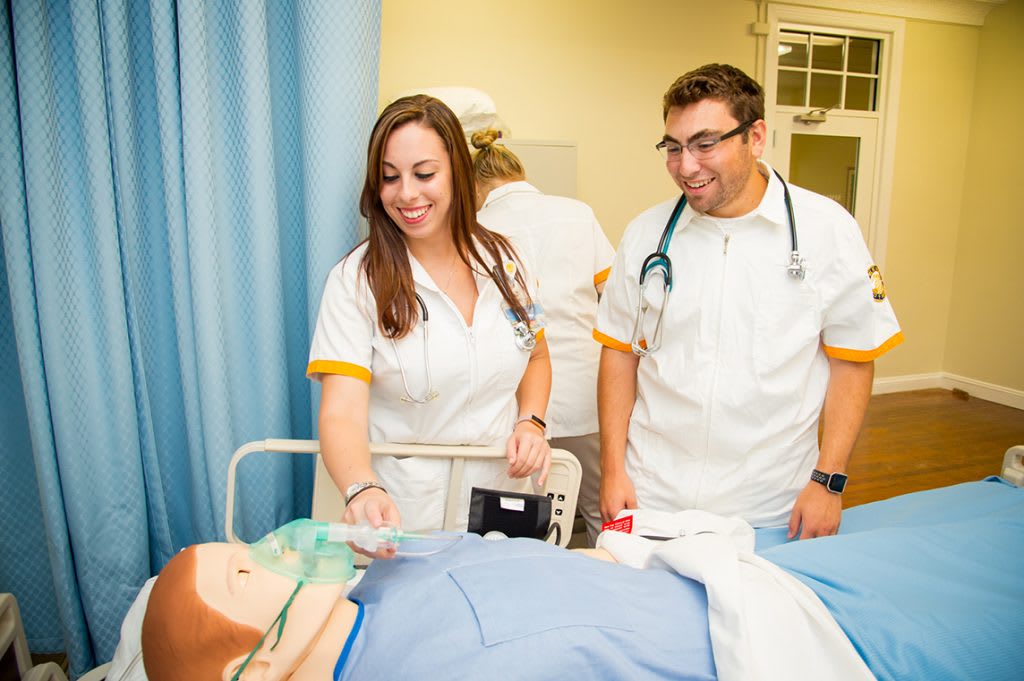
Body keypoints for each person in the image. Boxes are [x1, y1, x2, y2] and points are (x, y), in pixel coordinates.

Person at [138, 479, 1024, 681]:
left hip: (715, 575)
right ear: (252, 666)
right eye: (250, 568)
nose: (276, 545)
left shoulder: (383, 583)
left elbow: (498, 553)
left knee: (953, 527)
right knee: (982, 595)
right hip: (773, 640)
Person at [595, 63, 903, 539]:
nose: (686, 166)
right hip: (652, 495)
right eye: (673, 148)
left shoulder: (827, 231)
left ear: (755, 136)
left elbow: (853, 361)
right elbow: (618, 352)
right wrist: (613, 469)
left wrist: (829, 481)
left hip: (769, 505)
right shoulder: (646, 234)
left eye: (705, 143)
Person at [306, 95, 552, 550]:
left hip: (498, 503)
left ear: (457, 171)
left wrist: (531, 423)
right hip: (400, 514)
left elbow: (536, 353)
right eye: (389, 177)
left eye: (424, 174)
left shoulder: (508, 260)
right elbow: (340, 412)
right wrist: (363, 488)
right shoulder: (356, 281)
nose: (406, 193)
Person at [472, 129, 615, 545]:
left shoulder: (475, 225)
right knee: (601, 508)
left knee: (521, 516)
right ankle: (612, 581)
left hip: (521, 400)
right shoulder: (577, 213)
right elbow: (615, 297)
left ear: (474, 187)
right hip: (589, 389)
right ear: (520, 172)